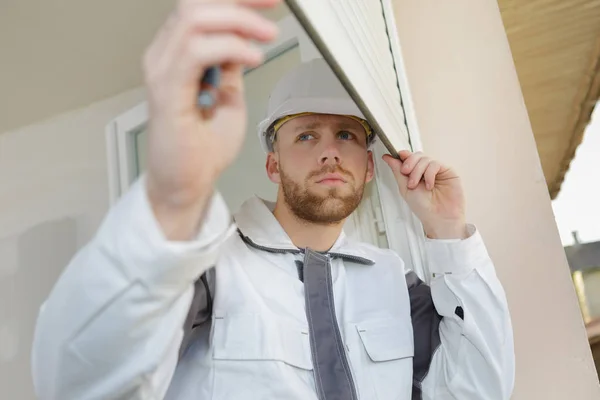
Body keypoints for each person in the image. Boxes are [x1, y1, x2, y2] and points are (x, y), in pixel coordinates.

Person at [31, 0, 515, 399]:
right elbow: (76, 384)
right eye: (306, 136)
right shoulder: (208, 270)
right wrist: (172, 198)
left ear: (370, 169)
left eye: (347, 135)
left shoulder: (396, 282)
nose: (329, 151)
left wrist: (449, 232)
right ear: (273, 164)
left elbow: (480, 390)